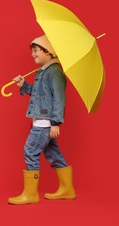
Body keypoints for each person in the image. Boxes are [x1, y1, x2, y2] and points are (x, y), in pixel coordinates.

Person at [8, 35, 76, 205]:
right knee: (53, 154)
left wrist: (55, 123)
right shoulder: (42, 72)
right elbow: (40, 95)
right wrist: (24, 85)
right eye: (32, 51)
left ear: (48, 52)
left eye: (36, 50)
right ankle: (67, 190)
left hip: (45, 123)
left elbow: (59, 98)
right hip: (42, 121)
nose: (33, 54)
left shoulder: (54, 72)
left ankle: (31, 194)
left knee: (30, 151)